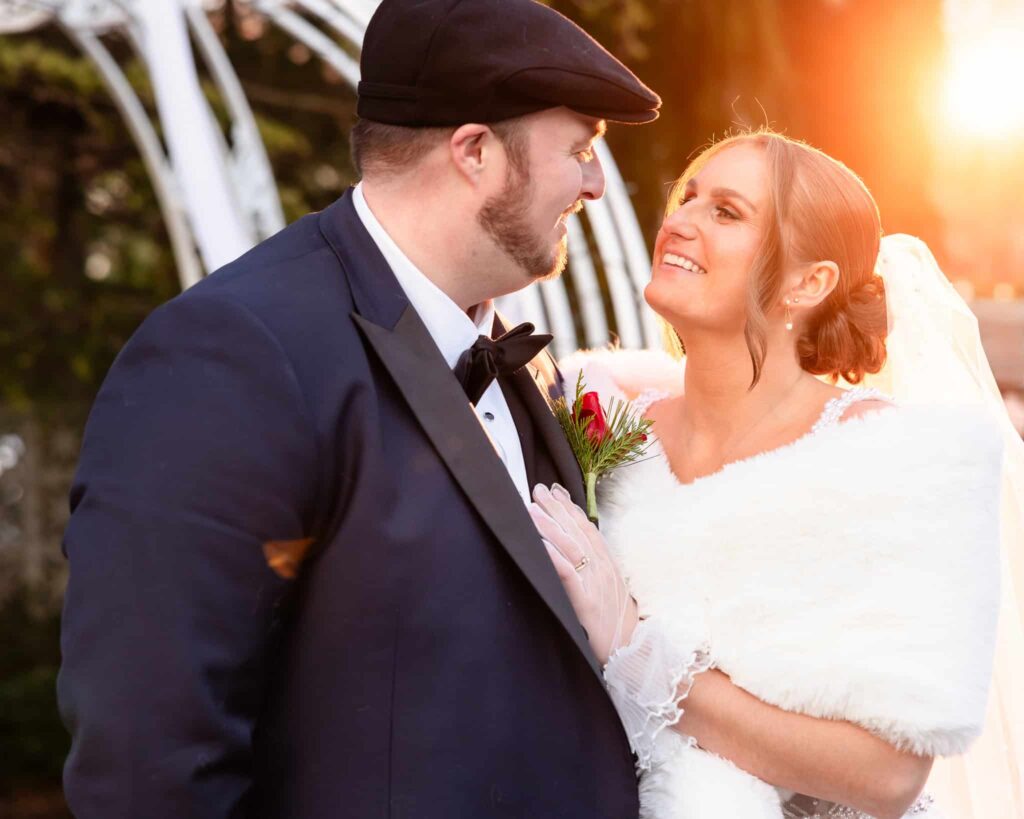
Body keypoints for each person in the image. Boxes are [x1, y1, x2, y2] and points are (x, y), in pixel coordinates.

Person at [56, 1, 663, 816]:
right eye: (580, 150)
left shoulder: (529, 368)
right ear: (475, 152)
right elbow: (147, 764)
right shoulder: (234, 354)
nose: (595, 182)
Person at [530, 131, 1022, 819]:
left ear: (809, 280)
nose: (680, 221)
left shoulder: (903, 459)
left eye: (725, 212)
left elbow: (888, 776)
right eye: (688, 196)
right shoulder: (595, 417)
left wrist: (639, 651)